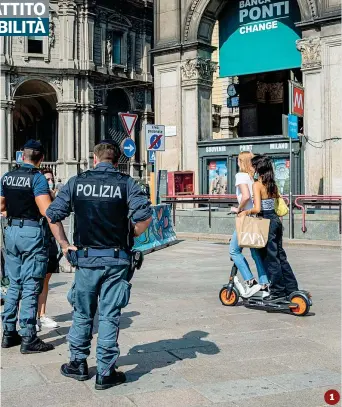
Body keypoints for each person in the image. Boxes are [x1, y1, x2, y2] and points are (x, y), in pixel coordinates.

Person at [46, 140, 152, 390]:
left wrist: (63, 244)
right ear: (117, 161)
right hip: (116, 259)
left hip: (85, 258)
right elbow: (145, 217)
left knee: (82, 313)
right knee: (109, 314)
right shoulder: (127, 183)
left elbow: (52, 215)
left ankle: (77, 363)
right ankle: (105, 371)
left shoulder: (76, 182)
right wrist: (131, 236)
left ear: (94, 159)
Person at [0, 140, 57, 353]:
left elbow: (1, 205)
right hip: (32, 233)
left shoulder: (7, 176)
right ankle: (29, 336)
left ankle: (8, 332)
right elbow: (46, 211)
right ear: (40, 158)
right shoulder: (38, 178)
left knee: (14, 283)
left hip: (12, 231)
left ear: (21, 156)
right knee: (32, 283)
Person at [239, 154, 299, 302]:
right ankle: (291, 289)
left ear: (258, 168)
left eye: (253, 165)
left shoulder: (257, 184)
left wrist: (245, 211)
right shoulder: (273, 184)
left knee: (270, 259)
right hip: (276, 221)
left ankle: (277, 292)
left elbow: (258, 207)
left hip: (265, 221)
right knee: (281, 257)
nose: (252, 168)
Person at [230, 151, 269, 296]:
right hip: (255, 216)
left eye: (239, 160)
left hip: (245, 218)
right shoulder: (253, 177)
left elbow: (245, 196)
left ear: (241, 161)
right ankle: (265, 285)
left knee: (234, 250)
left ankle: (250, 282)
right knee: (255, 252)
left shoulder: (240, 176)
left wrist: (238, 209)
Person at [36, 169, 60, 331]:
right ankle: (34, 317)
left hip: (50, 239)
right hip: (38, 238)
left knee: (46, 279)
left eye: (51, 179)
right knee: (36, 279)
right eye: (46, 180)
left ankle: (42, 314)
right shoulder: (37, 195)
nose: (49, 182)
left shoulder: (53, 196)